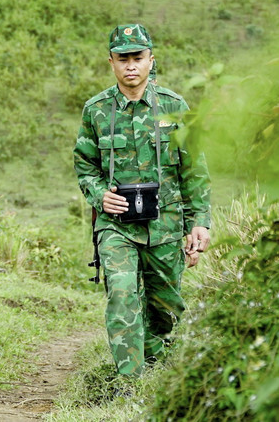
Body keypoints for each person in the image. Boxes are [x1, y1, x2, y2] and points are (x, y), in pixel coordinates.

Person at [73, 24, 211, 377]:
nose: (130, 66)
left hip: (165, 225)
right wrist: (98, 194)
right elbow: (85, 163)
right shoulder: (96, 110)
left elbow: (194, 169)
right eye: (123, 59)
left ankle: (158, 372)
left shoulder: (174, 107)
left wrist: (199, 223)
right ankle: (129, 380)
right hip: (116, 225)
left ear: (152, 60)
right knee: (122, 295)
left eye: (138, 57)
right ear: (111, 63)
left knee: (165, 308)